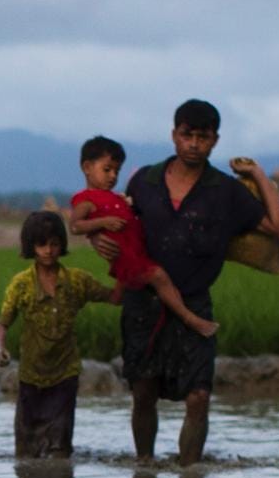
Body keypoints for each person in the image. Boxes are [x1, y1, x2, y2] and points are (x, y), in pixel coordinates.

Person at [101, 99, 279, 465]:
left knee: (200, 396)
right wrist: (100, 241)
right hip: (145, 302)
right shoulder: (145, 182)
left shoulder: (225, 192)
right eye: (187, 135)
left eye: (203, 137)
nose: (194, 144)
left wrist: (259, 176)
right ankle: (144, 469)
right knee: (143, 391)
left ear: (215, 141)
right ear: (174, 135)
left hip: (195, 302)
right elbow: (121, 227)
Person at [0, 211, 120, 458]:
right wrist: (0, 347)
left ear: (61, 245)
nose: (48, 250)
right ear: (32, 247)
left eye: (54, 244)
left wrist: (124, 266)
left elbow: (113, 297)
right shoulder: (21, 285)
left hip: (65, 374)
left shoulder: (76, 281)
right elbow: (2, 323)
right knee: (25, 450)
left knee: (60, 448)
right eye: (41, 244)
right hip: (30, 376)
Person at [69, 136, 217, 339]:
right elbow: (75, 226)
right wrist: (101, 224)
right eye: (107, 170)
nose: (113, 176)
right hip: (127, 257)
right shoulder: (85, 200)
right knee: (159, 277)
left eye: (117, 171)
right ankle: (190, 319)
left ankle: (107, 295)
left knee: (142, 288)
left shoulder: (115, 196)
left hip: (137, 249)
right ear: (87, 167)